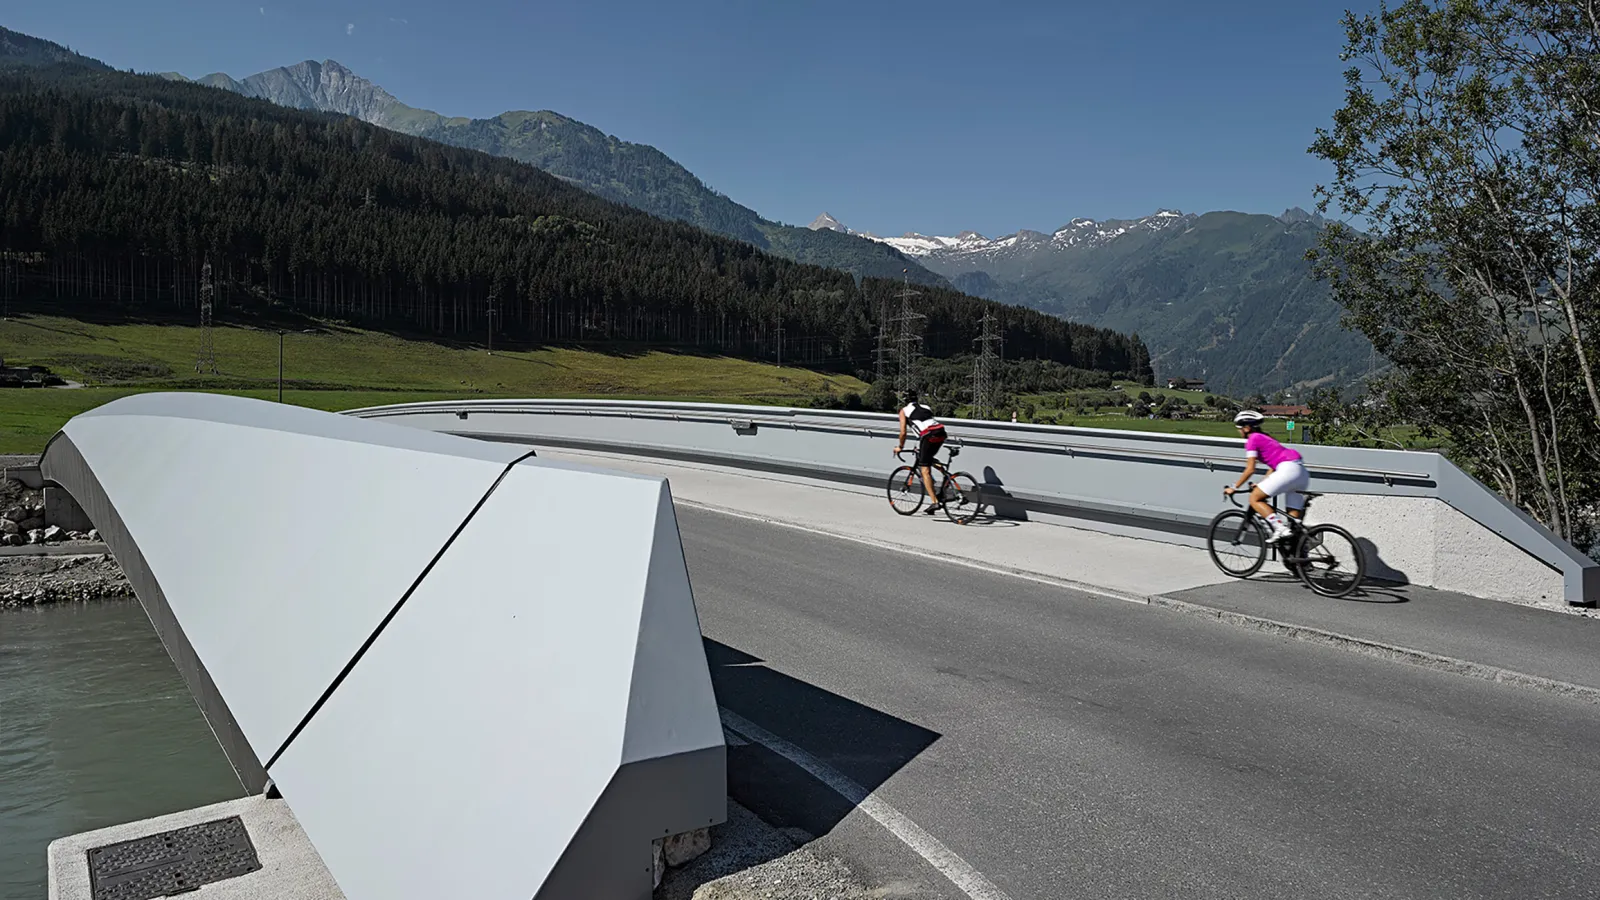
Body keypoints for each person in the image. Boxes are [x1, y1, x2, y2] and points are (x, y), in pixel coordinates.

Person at [1224, 410, 1308, 543]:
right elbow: (1273, 466)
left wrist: (1234, 487)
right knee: (1293, 524)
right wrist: (1262, 483)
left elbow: (1250, 469)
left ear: (1247, 428)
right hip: (1300, 471)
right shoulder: (1266, 437)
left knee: (1254, 498)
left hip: (1287, 469)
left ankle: (1279, 528)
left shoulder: (1252, 439)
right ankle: (1298, 556)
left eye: (1239, 428)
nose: (1239, 432)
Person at [894, 389, 948, 515]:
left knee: (925, 470)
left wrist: (900, 447)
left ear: (905, 400)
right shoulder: (926, 407)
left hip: (928, 436)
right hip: (940, 432)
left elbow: (903, 433)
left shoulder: (903, 411)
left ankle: (935, 502)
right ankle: (946, 476)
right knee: (928, 458)